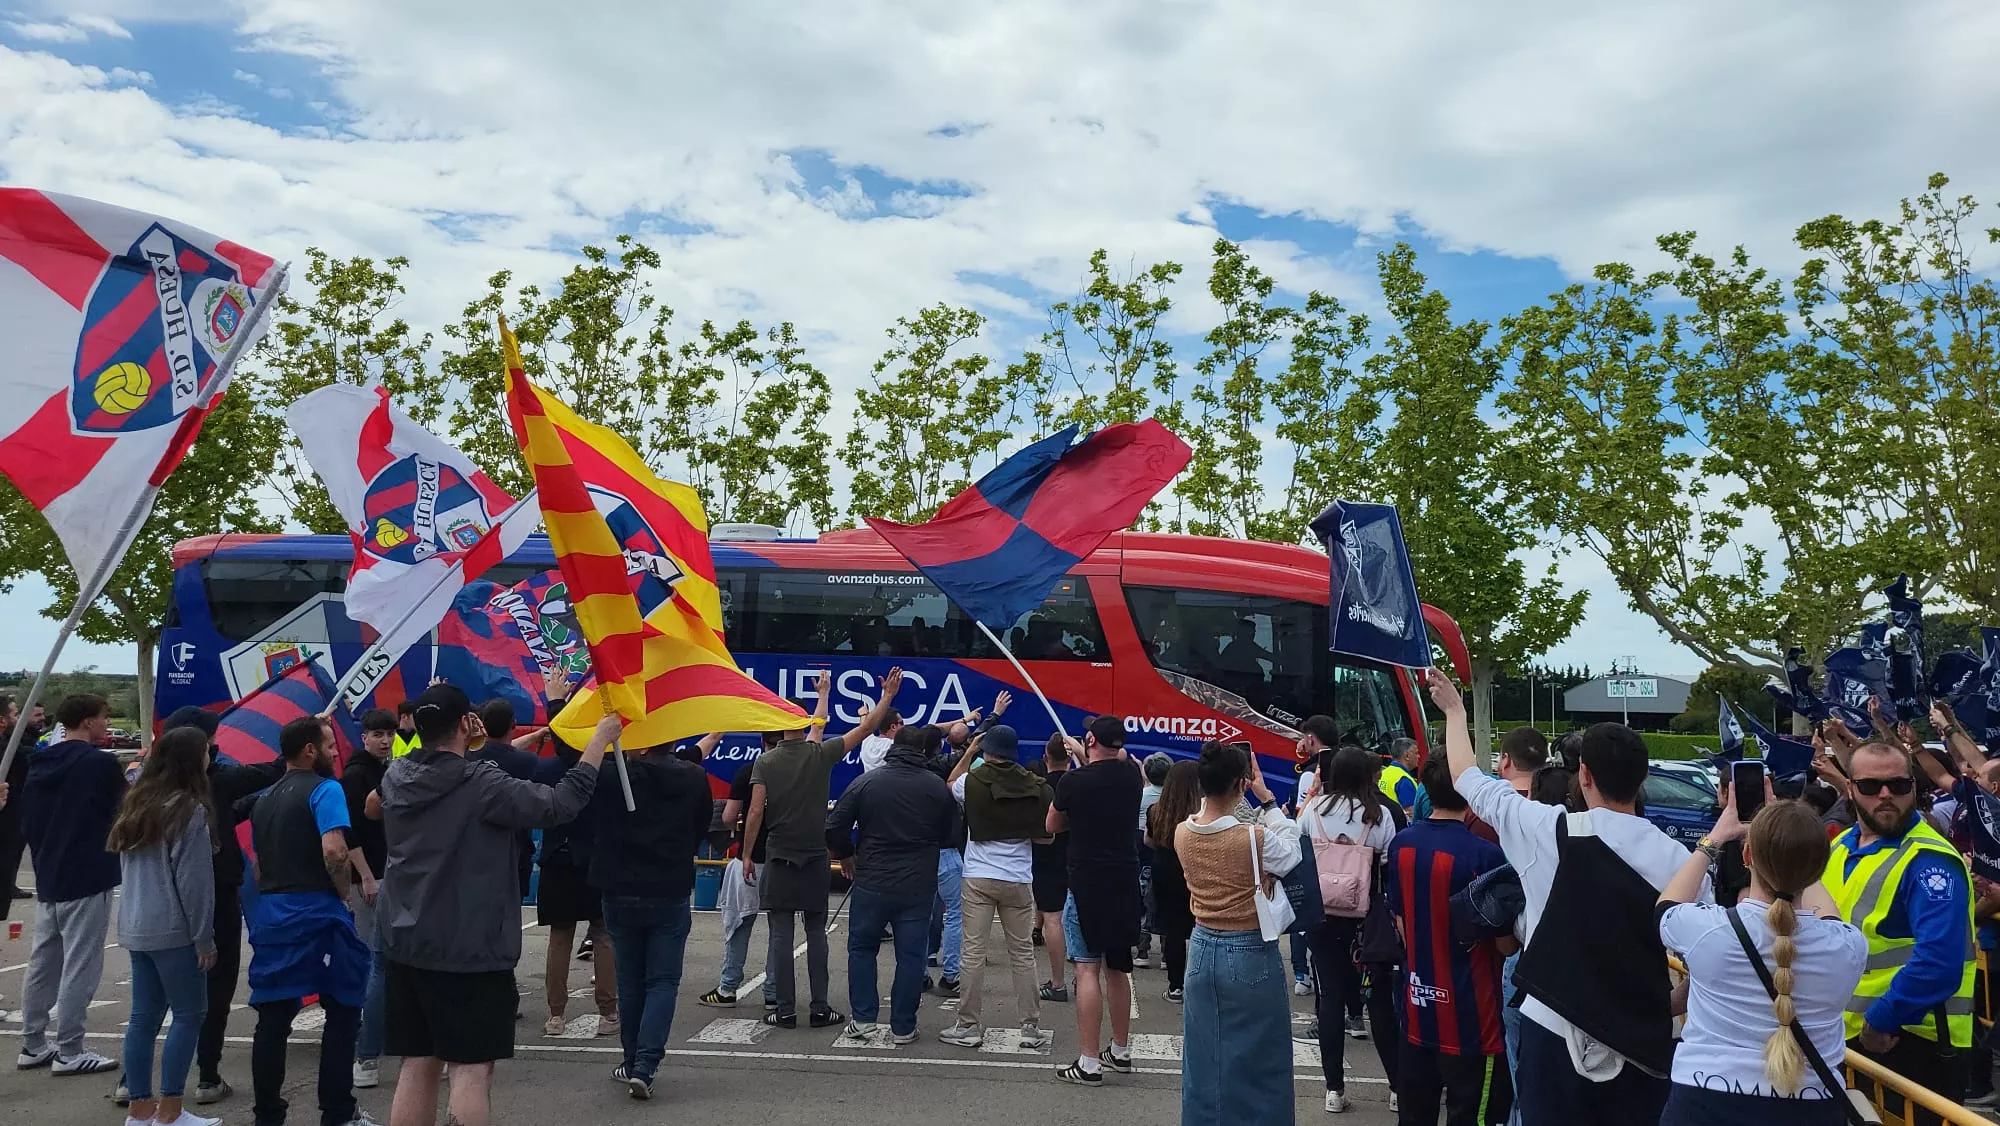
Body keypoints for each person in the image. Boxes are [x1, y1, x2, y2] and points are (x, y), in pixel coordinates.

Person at [1430, 668, 1702, 1126]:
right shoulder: (1682, 862)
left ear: (1585, 774)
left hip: (1553, 1026)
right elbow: (1707, 962)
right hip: (1642, 1037)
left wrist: (1455, 710)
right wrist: (1666, 1005)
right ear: (1642, 779)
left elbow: (1468, 778)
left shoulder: (1549, 830)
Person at [378, 684, 612, 1126]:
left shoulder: (396, 774)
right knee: (470, 1068)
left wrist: (471, 743)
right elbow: (560, 804)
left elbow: (382, 803)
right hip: (469, 947)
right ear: (467, 723)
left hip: (406, 940)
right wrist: (598, 741)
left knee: (419, 1061)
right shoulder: (480, 782)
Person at [1659, 796, 1865, 1125]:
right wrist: (1797, 850)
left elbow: (1665, 907)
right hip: (1813, 1107)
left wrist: (1714, 838)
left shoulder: (1708, 931)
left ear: (1746, 855)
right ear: (1819, 867)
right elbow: (1828, 917)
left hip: (1704, 1100)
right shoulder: (1849, 946)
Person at [742, 667, 903, 1030]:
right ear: (806, 722)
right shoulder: (819, 755)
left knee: (781, 935)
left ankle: (784, 1009)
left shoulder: (765, 762)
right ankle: (819, 1007)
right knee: (816, 933)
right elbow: (865, 728)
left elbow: (755, 811)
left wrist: (747, 853)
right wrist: (887, 697)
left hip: (779, 855)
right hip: (815, 856)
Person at [1825, 740, 1975, 1120]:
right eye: (1871, 787)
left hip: (1908, 1039)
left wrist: (1882, 1019)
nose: (1886, 795)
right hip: (1849, 1036)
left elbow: (1938, 961)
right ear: (1850, 789)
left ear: (1914, 786)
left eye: (1899, 785)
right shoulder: (1842, 846)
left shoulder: (1929, 861)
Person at [245, 717, 372, 1126]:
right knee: (344, 1007)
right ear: (310, 750)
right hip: (317, 911)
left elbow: (260, 865)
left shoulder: (264, 798)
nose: (338, 753)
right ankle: (337, 1111)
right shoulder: (326, 789)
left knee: (274, 1016)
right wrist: (340, 892)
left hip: (273, 912)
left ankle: (268, 1115)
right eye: (331, 746)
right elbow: (335, 851)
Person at [157, 706, 285, 1107]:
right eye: (212, 740)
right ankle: (207, 1075)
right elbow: (274, 769)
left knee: (156, 997)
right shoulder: (217, 780)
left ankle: (135, 1080)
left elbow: (228, 810)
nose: (217, 746)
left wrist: (249, 807)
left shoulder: (145, 790)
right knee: (216, 987)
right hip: (213, 896)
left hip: (159, 905)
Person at [1174, 741, 1301, 1121]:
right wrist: (1269, 801)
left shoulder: (1184, 832)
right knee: (1263, 1056)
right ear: (1241, 785)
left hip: (1201, 945)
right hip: (1248, 946)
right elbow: (1293, 853)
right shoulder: (1251, 837)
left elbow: (1207, 812)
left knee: (1203, 1057)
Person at [1384, 757, 1513, 1126]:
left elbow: (1402, 924)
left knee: (1415, 1114)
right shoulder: (1485, 855)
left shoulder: (1402, 844)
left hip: (1418, 1005)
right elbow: (1505, 945)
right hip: (1474, 1017)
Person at [589, 735, 715, 1100]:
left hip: (619, 888)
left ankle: (632, 1061)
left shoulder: (615, 775)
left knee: (630, 981)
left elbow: (578, 766)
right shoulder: (692, 778)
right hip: (668, 887)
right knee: (662, 981)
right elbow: (700, 826)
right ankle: (645, 1064)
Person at [107, 726, 220, 1126]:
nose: (211, 756)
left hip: (136, 924)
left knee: (143, 1018)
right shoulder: (189, 810)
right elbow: (195, 885)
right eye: (206, 751)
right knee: (190, 1014)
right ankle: (170, 1111)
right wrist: (204, 937)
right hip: (174, 929)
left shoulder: (136, 804)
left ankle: (140, 1109)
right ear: (194, 759)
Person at [825, 724, 957, 1045]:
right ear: (924, 750)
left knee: (862, 948)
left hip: (872, 878)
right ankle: (903, 1026)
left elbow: (834, 826)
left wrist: (847, 855)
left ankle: (863, 1018)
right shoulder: (937, 787)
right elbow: (952, 835)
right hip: (918, 883)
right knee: (911, 955)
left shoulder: (867, 782)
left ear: (893, 747)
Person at [17, 692, 125, 1077]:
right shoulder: (99, 764)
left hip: (50, 871)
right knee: (81, 962)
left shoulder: (40, 761)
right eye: (103, 716)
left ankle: (33, 1042)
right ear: (87, 721)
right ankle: (70, 1049)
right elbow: (122, 810)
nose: (106, 722)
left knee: (44, 961)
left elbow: (27, 817)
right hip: (87, 871)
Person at [940, 725, 1056, 1050]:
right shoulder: (1038, 786)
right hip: (1018, 878)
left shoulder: (971, 781)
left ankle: (968, 1025)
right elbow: (1046, 836)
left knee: (973, 952)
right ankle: (1030, 1028)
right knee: (1022, 955)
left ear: (987, 750)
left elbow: (950, 782)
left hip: (978, 875)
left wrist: (969, 751)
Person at [1300, 744, 1399, 1113]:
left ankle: (1334, 1089)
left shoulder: (1315, 811)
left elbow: (1301, 854)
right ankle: (1395, 1087)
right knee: (1380, 1002)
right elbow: (1387, 871)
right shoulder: (1379, 816)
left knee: (1330, 1000)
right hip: (1367, 922)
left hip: (1323, 918)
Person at [1049, 715, 1146, 1086]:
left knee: (1086, 968)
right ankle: (1119, 1049)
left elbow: (1052, 824)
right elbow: (1109, 768)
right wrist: (1083, 754)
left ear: (1090, 739)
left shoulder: (1075, 781)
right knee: (1117, 968)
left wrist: (1078, 764)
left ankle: (1089, 1061)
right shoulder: (1131, 777)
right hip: (1124, 878)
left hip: (1087, 879)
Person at [532, 694, 619, 1038]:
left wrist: (555, 700)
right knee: (603, 936)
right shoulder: (605, 770)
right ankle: (608, 1013)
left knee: (560, 937)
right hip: (596, 859)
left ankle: (555, 1016)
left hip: (557, 859)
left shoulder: (545, 769)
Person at [702, 734, 777, 1011]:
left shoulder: (750, 770)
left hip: (751, 857)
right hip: (783, 858)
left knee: (739, 924)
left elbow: (728, 817)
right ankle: (775, 992)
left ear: (762, 740)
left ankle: (728, 987)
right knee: (779, 929)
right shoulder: (796, 769)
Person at [343, 709, 395, 1091]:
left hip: (390, 873)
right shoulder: (356, 775)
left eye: (389, 734)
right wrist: (363, 875)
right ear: (363, 737)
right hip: (370, 876)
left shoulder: (386, 770)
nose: (385, 740)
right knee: (373, 958)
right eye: (378, 734)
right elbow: (350, 833)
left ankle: (377, 1031)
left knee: (385, 959)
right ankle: (363, 1047)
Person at [1147, 760, 1201, 1003]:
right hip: (1194, 868)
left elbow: (1149, 840)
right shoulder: (1200, 814)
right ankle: (1198, 983)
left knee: (1173, 929)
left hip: (1164, 867)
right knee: (1201, 925)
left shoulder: (1157, 810)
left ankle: (1175, 986)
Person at [1030, 733, 1073, 1000]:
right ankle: (1083, 976)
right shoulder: (1078, 784)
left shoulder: (1039, 788)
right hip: (1078, 855)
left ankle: (1058, 983)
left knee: (1053, 919)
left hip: (1047, 857)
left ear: (1046, 757)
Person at [1136, 752, 1172, 968]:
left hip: (1142, 851)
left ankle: (1142, 950)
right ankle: (1167, 953)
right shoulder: (1173, 797)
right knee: (1165, 900)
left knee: (1143, 901)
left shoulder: (1140, 795)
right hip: (1166, 851)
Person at [1379, 736, 1420, 815]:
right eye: (1416, 753)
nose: (1419, 756)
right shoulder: (1403, 780)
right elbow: (1412, 814)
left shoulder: (1383, 773)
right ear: (1407, 756)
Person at [858, 708, 904, 774]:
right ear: (893, 727)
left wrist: (863, 715)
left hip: (869, 783)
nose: (904, 726)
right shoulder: (893, 745)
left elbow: (864, 728)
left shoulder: (868, 742)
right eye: (901, 723)